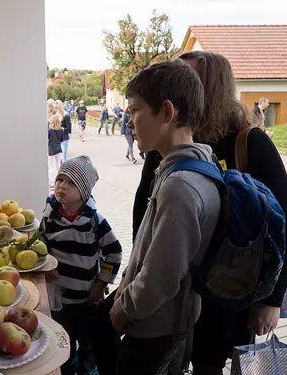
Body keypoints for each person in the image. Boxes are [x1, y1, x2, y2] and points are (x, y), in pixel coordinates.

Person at [133, 51, 287, 375]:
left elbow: (282, 223)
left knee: (209, 365)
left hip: (226, 293)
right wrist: (137, 274)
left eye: (184, 78)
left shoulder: (250, 143)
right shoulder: (167, 138)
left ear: (209, 88)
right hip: (172, 292)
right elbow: (142, 208)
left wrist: (271, 300)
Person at [109, 59, 221, 374]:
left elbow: (160, 279)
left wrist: (122, 311)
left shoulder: (181, 185)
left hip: (154, 326)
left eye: (135, 110)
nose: (129, 122)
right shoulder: (187, 166)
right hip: (166, 319)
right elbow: (154, 246)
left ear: (167, 112)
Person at [41, 155, 122, 375]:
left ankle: (88, 368)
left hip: (87, 298)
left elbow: (114, 253)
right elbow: (41, 242)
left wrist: (101, 283)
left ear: (84, 192)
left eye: (71, 183)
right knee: (63, 341)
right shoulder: (49, 214)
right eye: (60, 180)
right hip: (58, 297)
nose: (62, 187)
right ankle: (67, 367)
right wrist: (46, 262)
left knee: (88, 341)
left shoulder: (94, 221)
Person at [48, 115, 64, 189]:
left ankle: (52, 182)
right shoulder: (61, 130)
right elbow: (61, 140)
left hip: (51, 150)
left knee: (51, 167)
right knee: (58, 166)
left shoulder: (49, 131)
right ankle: (59, 181)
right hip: (59, 150)